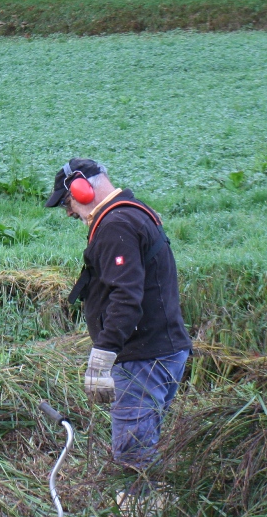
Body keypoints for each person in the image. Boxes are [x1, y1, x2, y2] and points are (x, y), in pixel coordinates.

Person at [45, 158, 190, 494]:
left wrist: (103, 354)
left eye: (67, 202)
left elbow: (126, 296)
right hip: (160, 351)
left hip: (143, 357)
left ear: (81, 190)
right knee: (142, 446)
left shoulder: (116, 225)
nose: (69, 212)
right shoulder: (132, 213)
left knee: (132, 456)